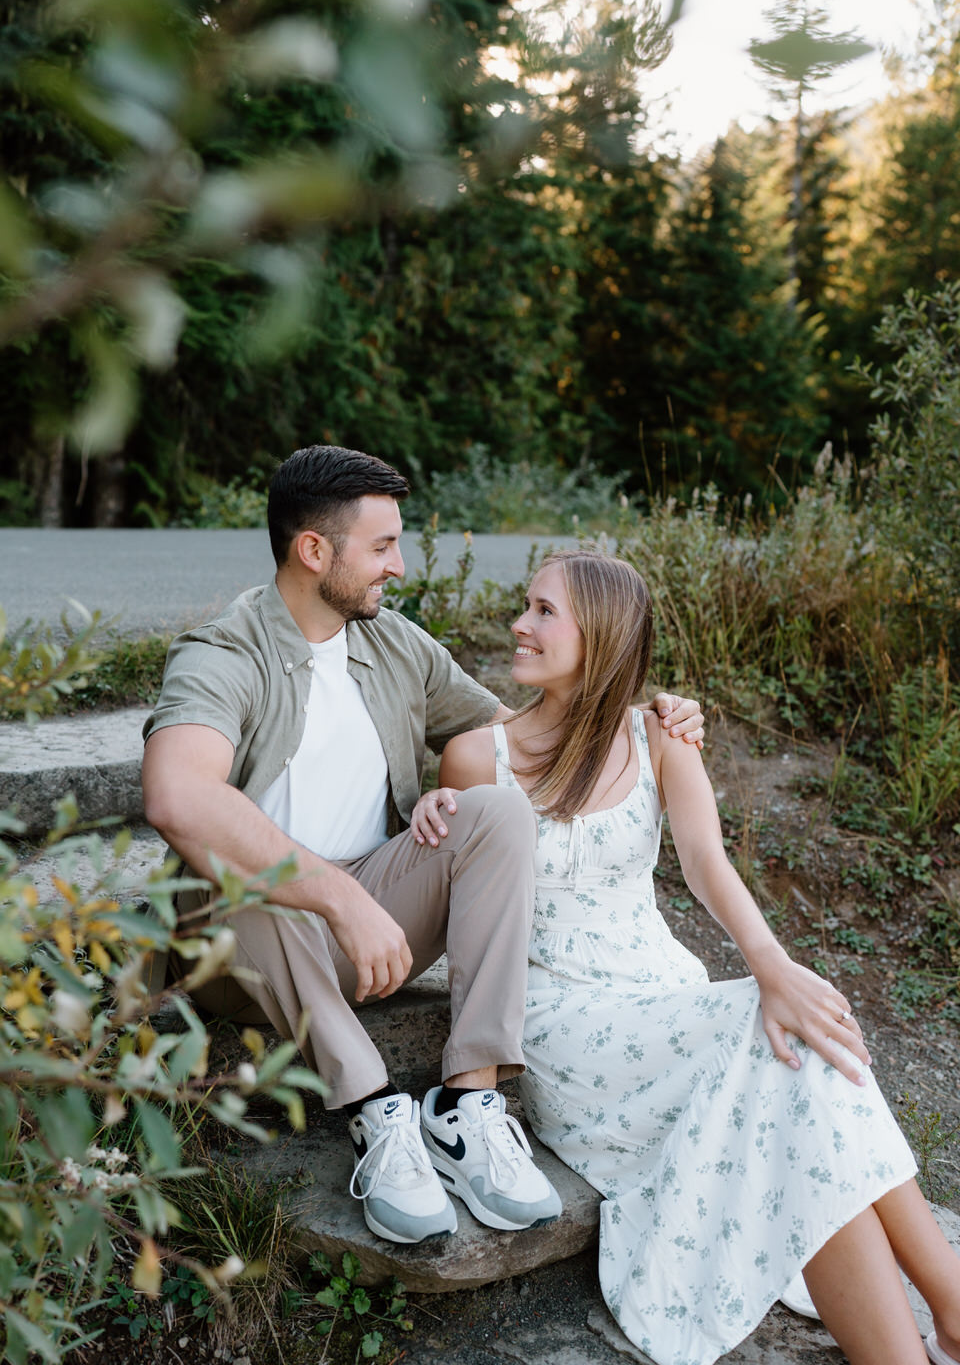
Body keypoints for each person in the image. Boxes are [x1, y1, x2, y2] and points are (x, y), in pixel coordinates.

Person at [140, 447, 704, 1250]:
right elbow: (177, 796)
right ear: (314, 550)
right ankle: (375, 1110)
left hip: (376, 922)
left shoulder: (394, 645)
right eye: (382, 547)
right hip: (247, 945)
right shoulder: (226, 652)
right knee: (236, 869)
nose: (399, 566)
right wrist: (338, 898)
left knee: (494, 811)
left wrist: (646, 717)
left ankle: (467, 1104)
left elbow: (523, 737)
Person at [428, 548, 960, 1365]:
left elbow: (708, 864)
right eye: (526, 606)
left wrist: (775, 966)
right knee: (774, 1028)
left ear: (602, 635)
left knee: (794, 1065)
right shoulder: (477, 757)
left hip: (664, 992)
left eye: (544, 611)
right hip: (567, 1023)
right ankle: (953, 1308)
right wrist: (767, 982)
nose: (519, 625)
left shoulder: (659, 735)